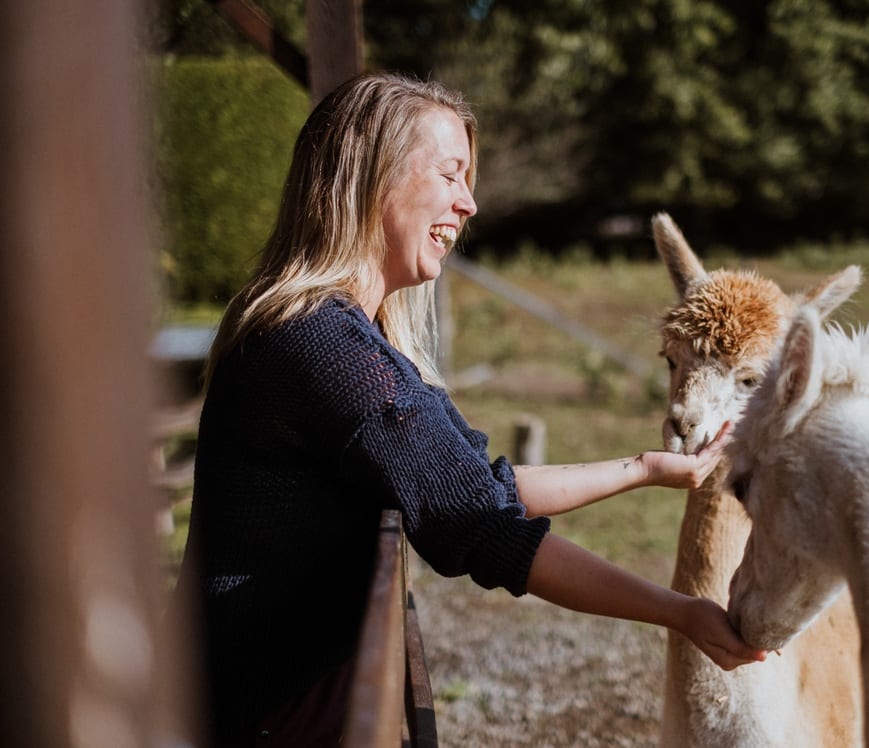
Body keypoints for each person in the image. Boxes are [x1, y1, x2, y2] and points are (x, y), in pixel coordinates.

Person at [175, 71, 764, 748]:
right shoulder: (324, 346)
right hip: (271, 714)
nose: (471, 203)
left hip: (277, 694)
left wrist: (646, 470)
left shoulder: (348, 337)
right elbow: (485, 528)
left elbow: (478, 488)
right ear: (373, 175)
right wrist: (682, 613)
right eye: (451, 174)